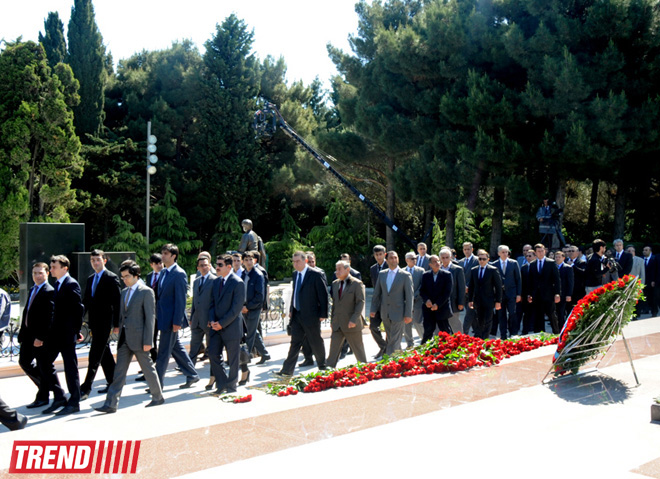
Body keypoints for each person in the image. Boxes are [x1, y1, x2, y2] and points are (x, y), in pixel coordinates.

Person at [95, 261, 164, 413]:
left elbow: (150, 318)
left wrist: (148, 341)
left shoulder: (146, 292)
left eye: (127, 276)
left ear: (136, 275)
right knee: (119, 372)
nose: (124, 279)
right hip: (124, 339)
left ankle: (158, 397)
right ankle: (111, 404)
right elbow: (122, 316)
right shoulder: (124, 292)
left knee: (148, 369)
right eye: (122, 277)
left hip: (140, 339)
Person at [41, 255, 85, 416]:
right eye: (51, 267)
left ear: (64, 268)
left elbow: (78, 309)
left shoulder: (71, 283)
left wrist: (75, 330)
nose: (51, 270)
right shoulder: (58, 284)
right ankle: (59, 396)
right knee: (44, 362)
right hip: (56, 334)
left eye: (54, 267)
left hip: (66, 334)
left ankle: (74, 402)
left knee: (70, 368)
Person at [275, 251, 328, 377]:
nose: (295, 264)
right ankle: (287, 370)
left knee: (315, 341)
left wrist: (323, 314)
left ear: (305, 261)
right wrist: (291, 310)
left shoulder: (315, 274)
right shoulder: (295, 274)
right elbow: (296, 293)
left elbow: (323, 295)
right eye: (293, 261)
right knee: (295, 343)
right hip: (297, 314)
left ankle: (323, 366)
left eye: (297, 261)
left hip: (311, 314)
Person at [155, 244, 200, 389]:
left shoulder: (179, 273)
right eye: (162, 253)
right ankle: (192, 374)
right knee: (175, 347)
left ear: (174, 256)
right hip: (163, 318)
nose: (163, 256)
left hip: (171, 320)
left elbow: (180, 300)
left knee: (163, 352)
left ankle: (157, 384)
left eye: (166, 253)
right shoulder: (162, 272)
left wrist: (177, 321)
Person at [80, 250, 121, 400]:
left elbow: (117, 303)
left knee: (95, 354)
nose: (95, 263)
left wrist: (116, 323)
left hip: (105, 323)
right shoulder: (91, 279)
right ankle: (114, 382)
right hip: (94, 322)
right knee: (104, 354)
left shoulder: (111, 277)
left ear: (104, 260)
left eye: (97, 260)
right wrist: (80, 319)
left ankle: (86, 387)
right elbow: (86, 301)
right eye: (92, 260)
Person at [207, 254, 246, 395]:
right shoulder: (216, 282)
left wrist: (222, 323)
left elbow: (236, 309)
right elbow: (211, 304)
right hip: (216, 327)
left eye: (220, 265)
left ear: (229, 267)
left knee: (233, 359)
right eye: (217, 264)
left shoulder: (238, 282)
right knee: (212, 354)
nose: (217, 267)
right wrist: (212, 321)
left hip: (231, 327)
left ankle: (231, 386)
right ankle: (222, 382)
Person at [18, 263, 54, 409]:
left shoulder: (49, 291)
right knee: (24, 362)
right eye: (34, 273)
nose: (37, 276)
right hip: (28, 336)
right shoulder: (33, 289)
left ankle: (43, 395)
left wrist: (41, 337)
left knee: (41, 365)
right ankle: (47, 386)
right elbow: (27, 312)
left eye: (40, 273)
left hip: (39, 338)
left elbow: (49, 317)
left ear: (47, 273)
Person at [370, 251, 414, 356]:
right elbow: (377, 293)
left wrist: (409, 314)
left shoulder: (405, 275)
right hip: (385, 312)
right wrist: (373, 309)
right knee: (392, 338)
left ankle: (388, 361)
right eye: (391, 258)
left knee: (394, 339)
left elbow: (409, 296)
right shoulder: (382, 274)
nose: (393, 260)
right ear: (387, 260)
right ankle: (400, 360)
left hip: (399, 312)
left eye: (395, 257)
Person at [326, 261, 367, 367]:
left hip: (351, 323)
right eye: (336, 269)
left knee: (359, 352)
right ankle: (327, 373)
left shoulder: (357, 284)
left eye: (339, 269)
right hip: (337, 324)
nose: (337, 271)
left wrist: (354, 319)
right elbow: (335, 304)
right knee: (333, 352)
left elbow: (360, 303)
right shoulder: (335, 284)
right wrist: (332, 320)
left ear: (347, 269)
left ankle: (365, 370)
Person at [241, 251, 268, 381]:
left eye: (250, 259)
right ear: (243, 261)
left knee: (250, 333)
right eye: (246, 259)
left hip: (253, 308)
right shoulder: (243, 274)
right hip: (244, 307)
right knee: (254, 332)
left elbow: (260, 296)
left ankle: (245, 358)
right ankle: (265, 353)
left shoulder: (258, 274)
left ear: (255, 261)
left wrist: (248, 306)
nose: (248, 261)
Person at [467, 250, 502, 340]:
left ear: (488, 259)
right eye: (480, 259)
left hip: (489, 300)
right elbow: (471, 286)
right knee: (479, 320)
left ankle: (485, 338)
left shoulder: (493, 270)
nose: (481, 261)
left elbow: (498, 287)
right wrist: (470, 300)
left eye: (484, 259)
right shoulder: (474, 270)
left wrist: (498, 301)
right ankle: (480, 337)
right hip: (478, 300)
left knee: (488, 320)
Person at [528, 244, 561, 333]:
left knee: (551, 315)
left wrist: (557, 293)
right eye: (539, 251)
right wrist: (530, 294)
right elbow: (530, 280)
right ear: (535, 253)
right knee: (538, 316)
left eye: (542, 251)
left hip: (549, 294)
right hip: (537, 295)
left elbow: (556, 279)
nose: (541, 253)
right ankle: (540, 334)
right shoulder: (532, 264)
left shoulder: (550, 263)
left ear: (545, 251)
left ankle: (556, 333)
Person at [419, 255, 453, 343]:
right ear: (430, 264)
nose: (437, 263)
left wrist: (437, 304)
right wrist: (426, 300)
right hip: (428, 309)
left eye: (438, 261)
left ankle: (449, 350)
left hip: (442, 308)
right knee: (428, 332)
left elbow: (447, 293)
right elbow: (422, 291)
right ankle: (424, 353)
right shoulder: (426, 275)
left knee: (445, 332)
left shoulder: (447, 275)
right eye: (434, 262)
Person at [188, 256, 215, 365]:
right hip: (196, 320)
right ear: (198, 268)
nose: (204, 267)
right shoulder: (196, 281)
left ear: (209, 266)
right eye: (201, 265)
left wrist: (212, 318)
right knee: (194, 345)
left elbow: (215, 302)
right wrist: (192, 317)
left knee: (212, 346)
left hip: (208, 320)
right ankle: (189, 368)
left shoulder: (215, 280)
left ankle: (215, 368)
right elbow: (195, 300)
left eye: (205, 265)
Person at [491, 245, 522, 339]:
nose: (505, 254)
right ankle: (503, 335)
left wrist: (518, 294)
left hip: (511, 293)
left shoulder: (514, 263)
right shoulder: (494, 264)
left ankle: (513, 333)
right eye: (503, 252)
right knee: (501, 315)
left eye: (506, 252)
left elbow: (518, 279)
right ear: (498, 253)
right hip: (499, 295)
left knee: (512, 313)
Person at [143, 253, 163, 367]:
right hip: (152, 311)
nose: (159, 265)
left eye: (161, 263)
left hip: (162, 311)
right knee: (152, 337)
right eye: (156, 264)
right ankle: (153, 361)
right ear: (152, 265)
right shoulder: (150, 276)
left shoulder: (166, 275)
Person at [439, 247, 465, 334]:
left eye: (447, 257)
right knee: (441, 325)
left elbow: (461, 287)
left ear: (451, 257)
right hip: (440, 302)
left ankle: (460, 342)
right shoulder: (437, 269)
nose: (445, 259)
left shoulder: (457, 269)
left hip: (453, 302)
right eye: (443, 258)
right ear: (440, 258)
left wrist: (461, 302)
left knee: (455, 324)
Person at [369, 245, 388, 358]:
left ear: (384, 254)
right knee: (373, 326)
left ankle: (386, 349)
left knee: (387, 327)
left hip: (388, 302)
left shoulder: (389, 265)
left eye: (380, 254)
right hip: (376, 302)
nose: (378, 257)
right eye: (376, 255)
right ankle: (383, 346)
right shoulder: (373, 268)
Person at [403, 252, 425, 347]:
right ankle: (410, 344)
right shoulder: (402, 271)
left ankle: (424, 341)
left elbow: (423, 285)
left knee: (418, 322)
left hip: (417, 301)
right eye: (412, 258)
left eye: (415, 258)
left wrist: (414, 296)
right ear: (406, 260)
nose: (414, 260)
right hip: (405, 303)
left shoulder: (421, 271)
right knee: (406, 324)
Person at [460, 242, 479, 335]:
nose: (466, 251)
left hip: (474, 292)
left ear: (472, 249)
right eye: (465, 249)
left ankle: (464, 333)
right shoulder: (460, 262)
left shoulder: (477, 260)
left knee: (469, 313)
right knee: (472, 314)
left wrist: (469, 286)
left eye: (468, 249)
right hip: (463, 292)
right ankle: (478, 332)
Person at [554, 251, 574, 326]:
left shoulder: (568, 268)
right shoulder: (553, 267)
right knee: (555, 312)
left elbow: (570, 282)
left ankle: (562, 327)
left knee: (561, 312)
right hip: (555, 293)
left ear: (563, 258)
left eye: (559, 257)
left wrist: (569, 294)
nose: (557, 258)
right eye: (556, 257)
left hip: (564, 293)